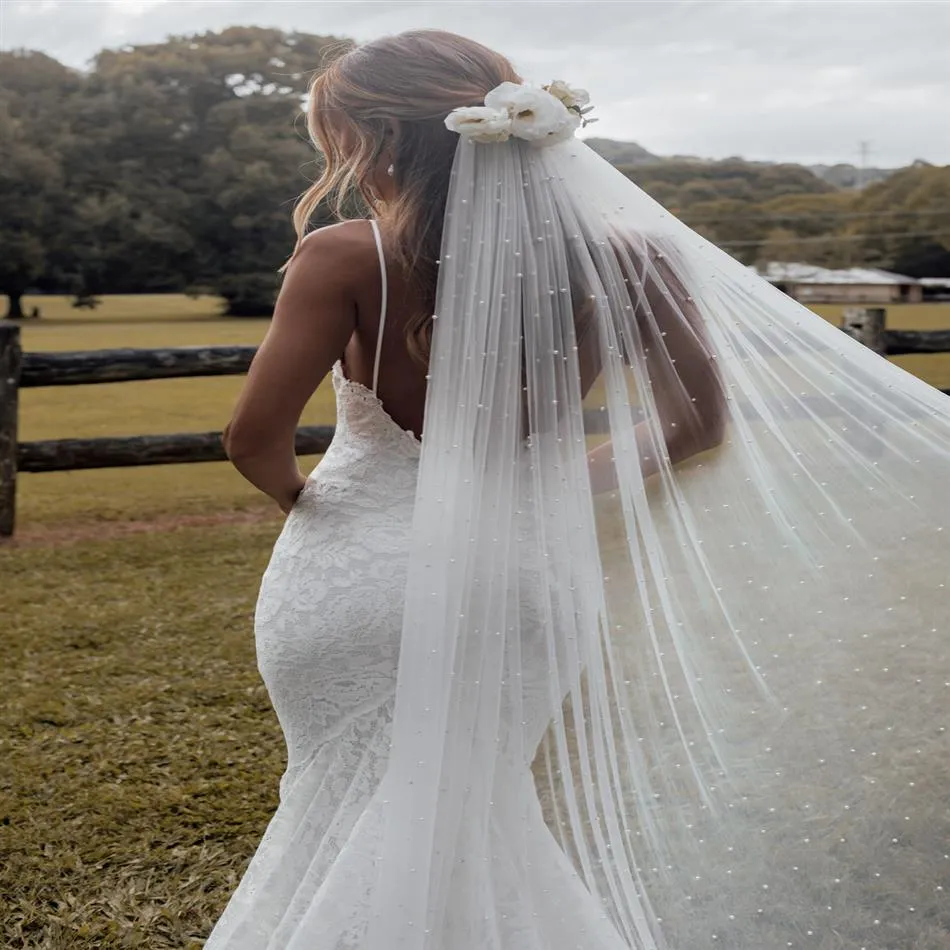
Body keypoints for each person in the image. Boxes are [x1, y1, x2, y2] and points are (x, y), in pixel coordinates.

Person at [214, 29, 950, 950]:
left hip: (357, 575)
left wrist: (313, 504)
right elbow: (697, 423)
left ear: (377, 139)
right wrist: (557, 482)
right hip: (526, 573)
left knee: (346, 794)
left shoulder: (342, 256)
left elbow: (251, 438)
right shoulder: (631, 253)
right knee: (479, 806)